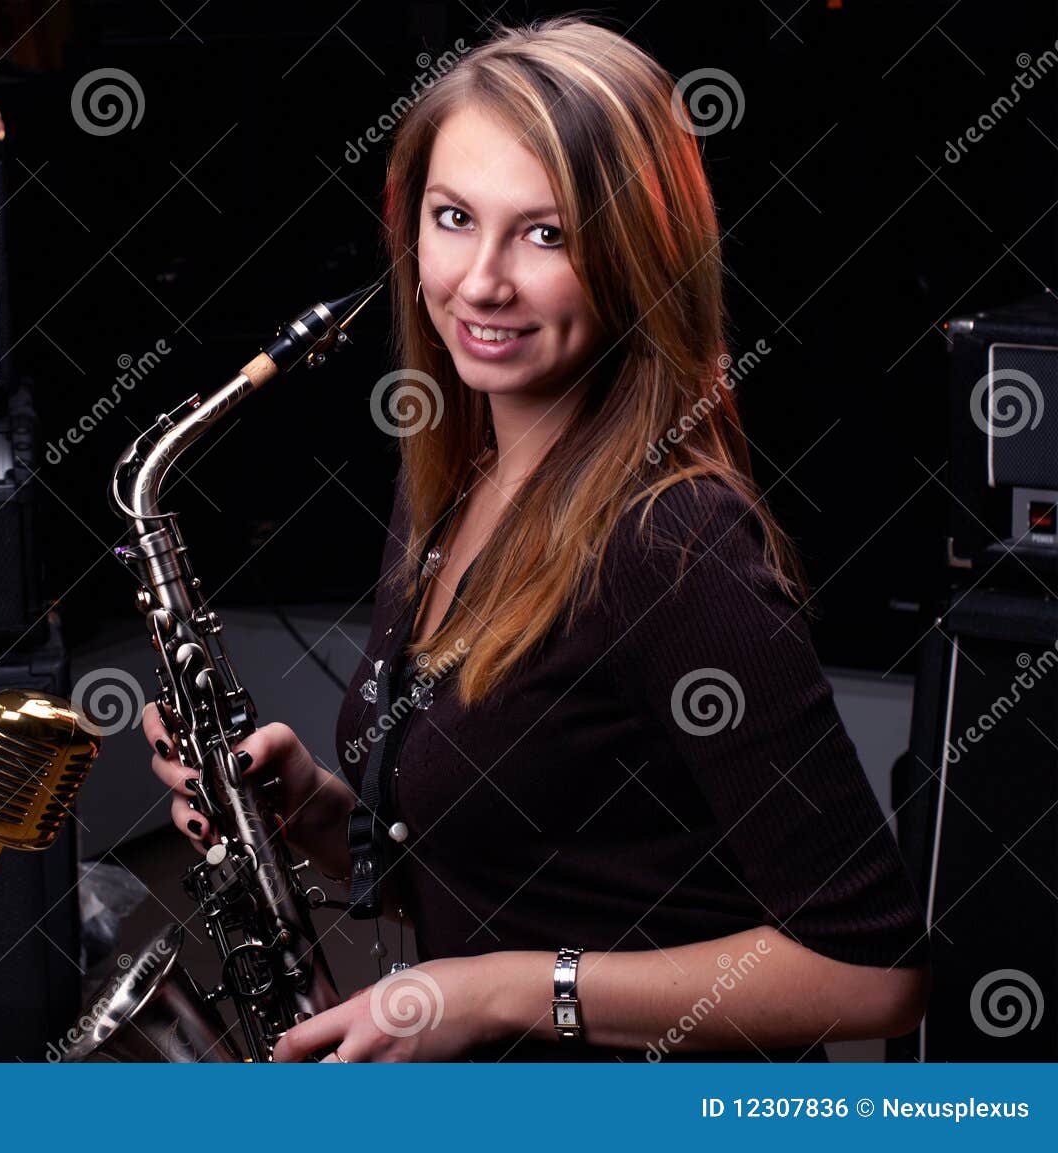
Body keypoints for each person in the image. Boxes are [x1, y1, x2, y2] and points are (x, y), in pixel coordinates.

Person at [146, 15, 929, 1062]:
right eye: (454, 217)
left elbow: (875, 978)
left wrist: (506, 992)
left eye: (546, 234)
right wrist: (316, 814)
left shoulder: (674, 544)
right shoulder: (452, 482)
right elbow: (536, 863)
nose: (481, 281)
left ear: (637, 258)